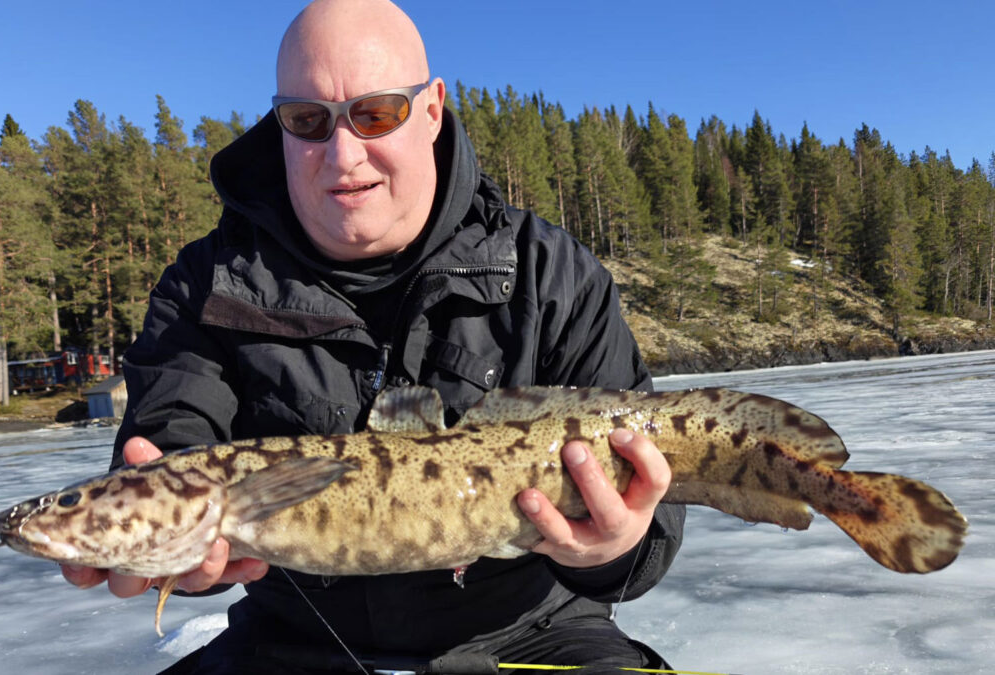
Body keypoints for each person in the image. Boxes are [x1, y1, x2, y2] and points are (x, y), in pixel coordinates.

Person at [62, 1, 685, 672]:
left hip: (533, 633)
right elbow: (175, 438)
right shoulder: (204, 285)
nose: (343, 154)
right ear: (279, 124)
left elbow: (650, 519)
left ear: (432, 109)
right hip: (289, 642)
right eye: (308, 121)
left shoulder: (551, 273)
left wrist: (615, 547)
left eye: (376, 113)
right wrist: (177, 547)